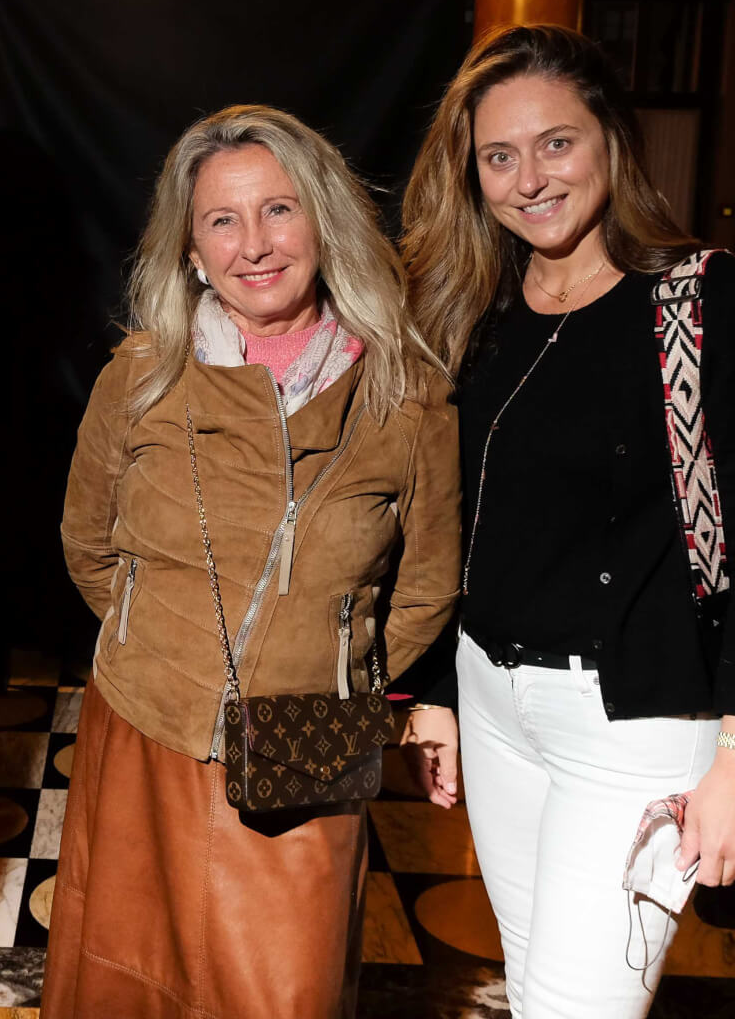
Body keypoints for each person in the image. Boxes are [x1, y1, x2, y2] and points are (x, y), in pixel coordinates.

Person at [396, 25, 735, 1018]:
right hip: (494, 704)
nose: (529, 177)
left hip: (633, 725)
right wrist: (437, 690)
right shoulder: (478, 307)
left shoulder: (702, 299)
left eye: (556, 143)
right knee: (539, 990)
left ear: (611, 143)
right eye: (500, 155)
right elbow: (451, 519)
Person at [47, 105, 460, 1018]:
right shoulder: (144, 372)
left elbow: (427, 585)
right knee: (128, 988)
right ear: (191, 250)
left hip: (305, 755)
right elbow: (89, 543)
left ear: (323, 220)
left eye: (279, 210)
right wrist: (160, 641)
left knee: (287, 995)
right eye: (222, 220)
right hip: (144, 734)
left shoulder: (405, 389)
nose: (255, 245)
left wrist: (336, 664)